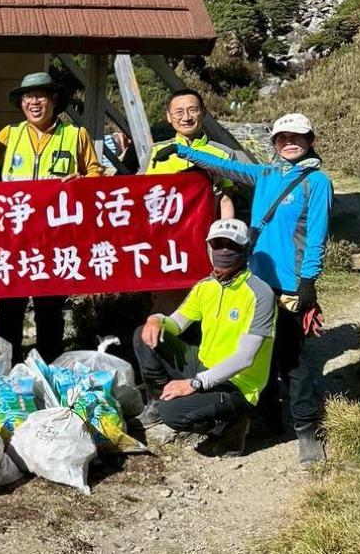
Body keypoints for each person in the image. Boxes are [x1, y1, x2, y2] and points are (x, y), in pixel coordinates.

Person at [151, 113, 332, 467]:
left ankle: (307, 430)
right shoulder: (265, 174)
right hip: (254, 281)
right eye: (282, 138)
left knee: (291, 360)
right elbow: (222, 165)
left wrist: (309, 282)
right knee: (257, 355)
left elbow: (316, 236)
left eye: (296, 136)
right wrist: (181, 149)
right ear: (274, 144)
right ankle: (266, 419)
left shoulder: (317, 182)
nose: (288, 142)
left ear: (310, 139)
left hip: (290, 287)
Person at [132, 219, 276, 457]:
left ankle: (230, 427)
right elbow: (177, 323)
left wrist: (193, 384)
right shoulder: (205, 287)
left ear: (245, 250)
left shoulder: (261, 294)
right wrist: (156, 318)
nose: (223, 252)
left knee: (173, 414)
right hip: (203, 363)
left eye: (231, 246)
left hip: (238, 385)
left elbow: (245, 358)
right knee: (143, 335)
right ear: (208, 248)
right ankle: (160, 399)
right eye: (217, 244)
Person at [0, 72, 102, 364]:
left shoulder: (76, 135)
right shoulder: (8, 134)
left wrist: (83, 182)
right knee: (10, 307)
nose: (33, 102)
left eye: (40, 96)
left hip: (56, 238)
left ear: (53, 100)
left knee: (49, 308)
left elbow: (96, 175)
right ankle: (6, 367)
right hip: (14, 237)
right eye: (28, 97)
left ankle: (51, 366)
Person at [145, 88, 236, 220]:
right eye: (179, 112)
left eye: (193, 110)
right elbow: (142, 193)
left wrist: (223, 235)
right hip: (165, 232)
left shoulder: (223, 153)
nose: (186, 118)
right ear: (169, 117)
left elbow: (225, 200)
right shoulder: (155, 151)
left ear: (203, 112)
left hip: (205, 231)